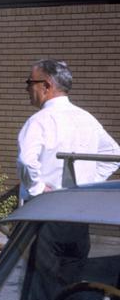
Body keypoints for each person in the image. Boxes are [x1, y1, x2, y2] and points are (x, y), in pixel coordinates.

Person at [17, 59, 120, 201]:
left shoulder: (39, 121)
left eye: (30, 82)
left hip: (45, 207)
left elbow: (26, 161)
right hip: (78, 209)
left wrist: (38, 189)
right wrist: (87, 184)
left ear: (46, 86)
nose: (26, 88)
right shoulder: (87, 119)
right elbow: (114, 154)